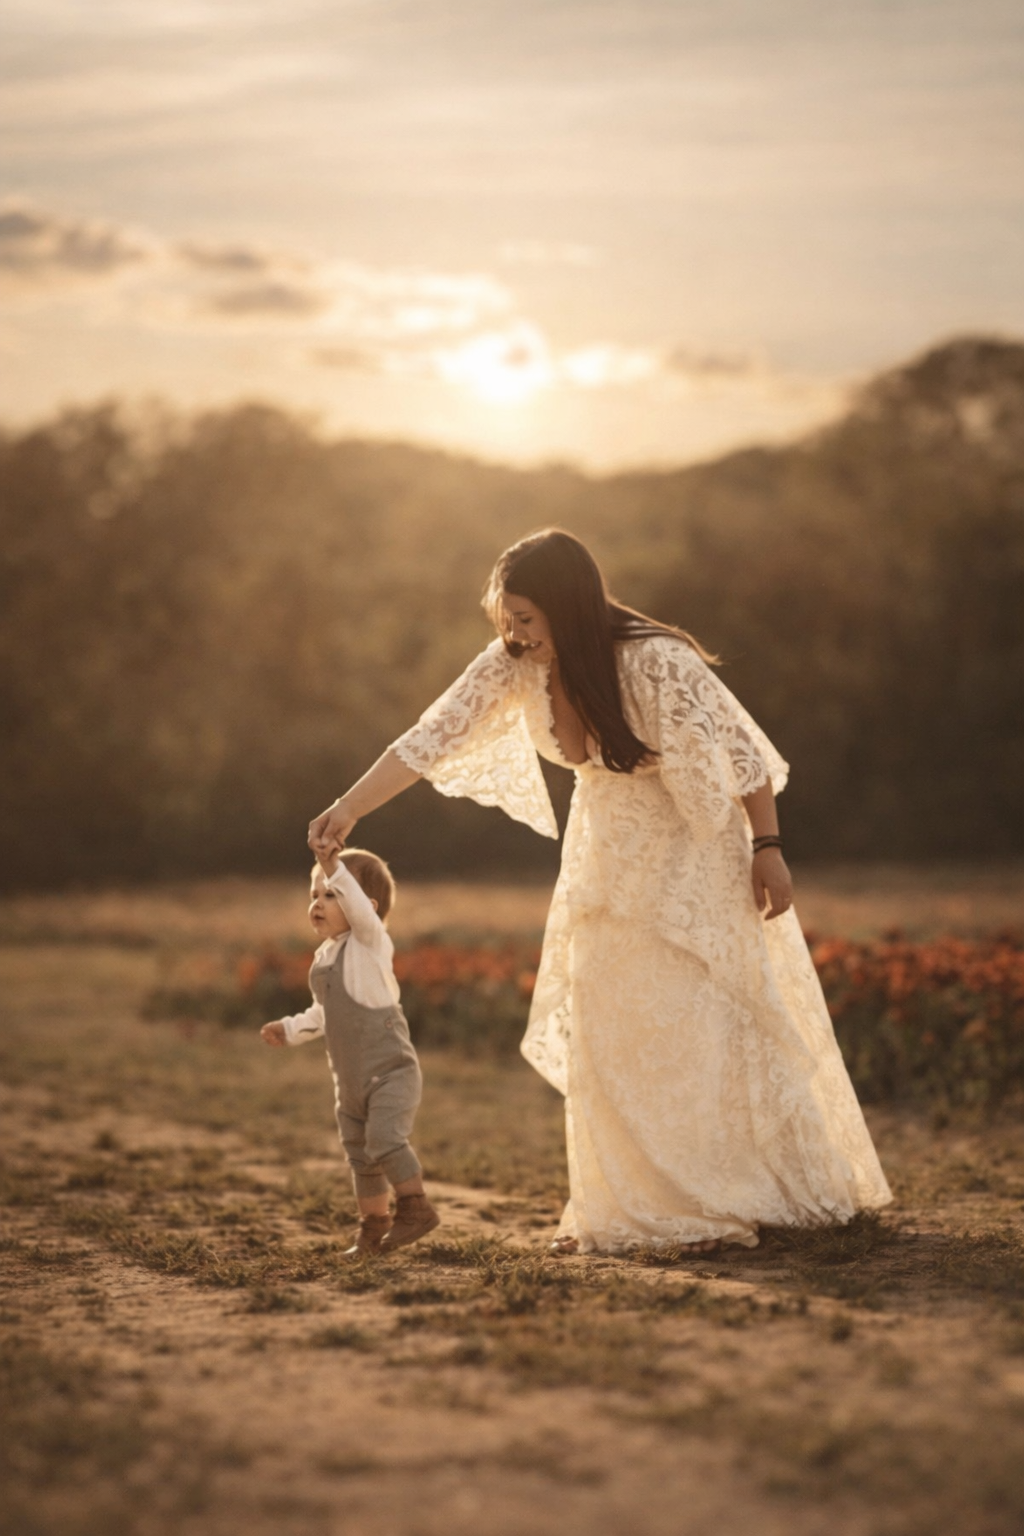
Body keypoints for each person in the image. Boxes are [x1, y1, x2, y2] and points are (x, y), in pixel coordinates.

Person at [308, 529, 892, 1255]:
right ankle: (629, 1205)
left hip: (695, 853)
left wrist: (768, 848)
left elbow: (742, 753)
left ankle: (737, 1191)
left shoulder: (656, 658)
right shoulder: (513, 662)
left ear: (567, 606)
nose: (515, 636)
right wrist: (349, 808)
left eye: (526, 618)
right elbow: (428, 739)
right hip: (605, 854)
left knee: (700, 1021)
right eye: (507, 619)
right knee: (613, 1027)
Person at [261, 846, 439, 1255]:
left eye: (330, 894)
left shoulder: (369, 944)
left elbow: (356, 907)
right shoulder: (325, 958)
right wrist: (289, 1029)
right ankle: (373, 1228)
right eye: (314, 895)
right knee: (361, 1157)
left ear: (366, 908)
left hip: (391, 1072)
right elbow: (324, 1014)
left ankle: (416, 1207)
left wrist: (331, 864)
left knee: (384, 1139)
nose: (317, 903)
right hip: (351, 1083)